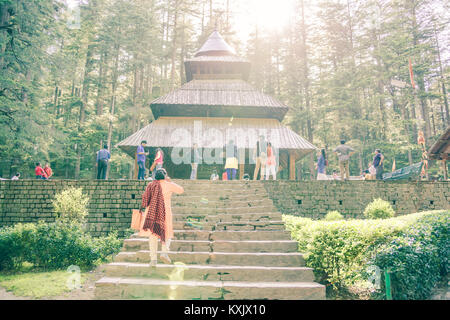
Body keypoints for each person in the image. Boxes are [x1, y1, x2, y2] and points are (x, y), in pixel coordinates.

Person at [138, 168, 184, 266]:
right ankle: (164, 253)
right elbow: (181, 190)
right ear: (165, 176)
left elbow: (145, 200)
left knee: (153, 236)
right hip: (165, 213)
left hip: (151, 213)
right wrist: (169, 181)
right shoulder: (168, 185)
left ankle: (153, 260)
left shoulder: (150, 185)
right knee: (166, 233)